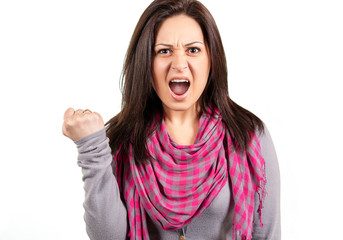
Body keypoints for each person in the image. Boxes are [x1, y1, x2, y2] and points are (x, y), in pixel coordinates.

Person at [62, 0, 281, 239]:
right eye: (164, 51)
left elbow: (267, 234)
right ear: (147, 62)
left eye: (193, 50)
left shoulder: (248, 134)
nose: (178, 63)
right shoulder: (121, 138)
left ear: (211, 59)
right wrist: (91, 148)